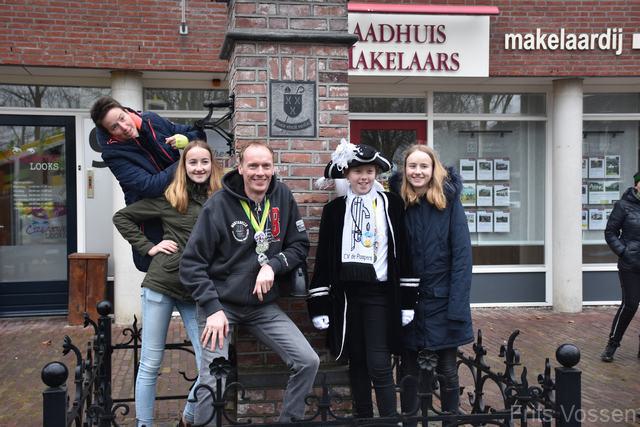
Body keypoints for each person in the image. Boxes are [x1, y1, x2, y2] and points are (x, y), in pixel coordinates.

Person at [179, 141, 319, 425]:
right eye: (253, 166)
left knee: (308, 361)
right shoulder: (218, 205)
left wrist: (273, 265)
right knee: (214, 377)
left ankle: (289, 421)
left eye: (266, 166)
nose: (260, 172)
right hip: (220, 306)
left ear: (273, 168)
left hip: (261, 306)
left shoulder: (282, 196)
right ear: (240, 168)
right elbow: (191, 264)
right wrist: (212, 308)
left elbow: (299, 245)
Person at [112, 140, 223, 427]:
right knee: (150, 363)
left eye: (204, 162)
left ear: (212, 165)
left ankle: (189, 416)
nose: (199, 167)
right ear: (184, 167)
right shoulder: (170, 197)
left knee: (208, 362)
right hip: (161, 284)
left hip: (195, 290)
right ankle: (144, 424)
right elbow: (122, 217)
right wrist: (149, 247)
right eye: (192, 162)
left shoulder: (221, 199)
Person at [307, 140, 418, 419]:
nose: (364, 177)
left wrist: (407, 301)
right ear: (347, 174)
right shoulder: (335, 210)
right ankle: (365, 420)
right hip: (346, 297)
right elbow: (324, 259)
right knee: (356, 361)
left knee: (379, 363)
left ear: (376, 173)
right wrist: (319, 305)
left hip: (380, 294)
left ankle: (389, 422)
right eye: (357, 171)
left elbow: (404, 253)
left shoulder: (391, 204)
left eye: (369, 171)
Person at [397, 145, 473, 416]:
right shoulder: (397, 203)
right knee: (408, 371)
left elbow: (462, 257)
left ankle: (449, 419)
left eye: (423, 166)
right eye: (412, 166)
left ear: (433, 169)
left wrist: (457, 306)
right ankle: (410, 420)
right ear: (405, 170)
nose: (418, 172)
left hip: (442, 301)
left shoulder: (449, 203)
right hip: (408, 302)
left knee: (447, 370)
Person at [90, 95, 205, 271]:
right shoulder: (113, 154)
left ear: (126, 111)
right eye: (114, 127)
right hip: (153, 223)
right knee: (163, 272)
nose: (124, 127)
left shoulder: (152, 120)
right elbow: (150, 186)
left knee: (194, 265)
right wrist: (185, 161)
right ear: (109, 133)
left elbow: (198, 135)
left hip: (183, 208)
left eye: (122, 118)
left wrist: (187, 140)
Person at [600, 171, 640, 362]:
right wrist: (624, 252)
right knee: (630, 305)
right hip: (630, 264)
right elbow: (610, 232)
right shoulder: (623, 205)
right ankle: (612, 344)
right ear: (637, 184)